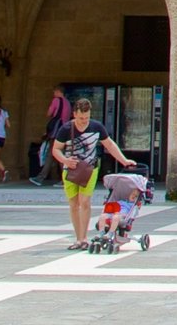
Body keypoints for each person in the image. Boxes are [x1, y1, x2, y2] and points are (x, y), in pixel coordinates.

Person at [50, 97, 136, 247]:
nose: (84, 121)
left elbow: (109, 144)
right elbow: (56, 149)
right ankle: (78, 238)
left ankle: (84, 238)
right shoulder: (65, 129)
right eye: (81, 117)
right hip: (70, 170)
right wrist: (65, 160)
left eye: (87, 117)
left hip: (90, 169)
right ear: (74, 114)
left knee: (85, 202)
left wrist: (124, 160)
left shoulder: (96, 127)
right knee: (73, 204)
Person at [33, 86, 71, 184]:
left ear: (58, 92)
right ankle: (41, 177)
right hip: (65, 130)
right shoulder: (67, 102)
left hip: (56, 131)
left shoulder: (56, 100)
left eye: (54, 92)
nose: (53, 94)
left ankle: (65, 179)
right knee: (53, 153)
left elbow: (49, 113)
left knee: (57, 153)